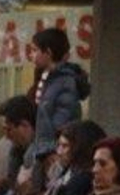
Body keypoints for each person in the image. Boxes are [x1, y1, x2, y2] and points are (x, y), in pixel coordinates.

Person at [25, 27, 89, 178]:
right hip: (45, 151)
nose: (31, 55)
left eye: (35, 50)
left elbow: (64, 119)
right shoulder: (48, 79)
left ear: (48, 53)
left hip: (53, 154)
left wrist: (51, 150)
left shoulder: (64, 82)